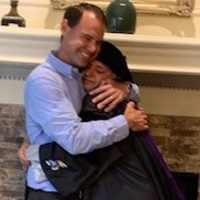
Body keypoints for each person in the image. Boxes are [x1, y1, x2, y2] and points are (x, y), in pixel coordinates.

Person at [20, 3, 148, 200]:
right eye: (87, 38)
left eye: (98, 42)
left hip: (79, 187)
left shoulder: (81, 76)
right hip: (49, 191)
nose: (92, 49)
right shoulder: (44, 80)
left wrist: (127, 89)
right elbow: (74, 139)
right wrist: (126, 122)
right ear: (64, 28)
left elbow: (126, 89)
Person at [26, 41, 185, 200]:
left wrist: (35, 154)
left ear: (114, 79)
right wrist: (127, 88)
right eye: (88, 67)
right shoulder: (113, 102)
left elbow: (85, 157)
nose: (89, 73)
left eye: (99, 70)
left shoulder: (105, 106)